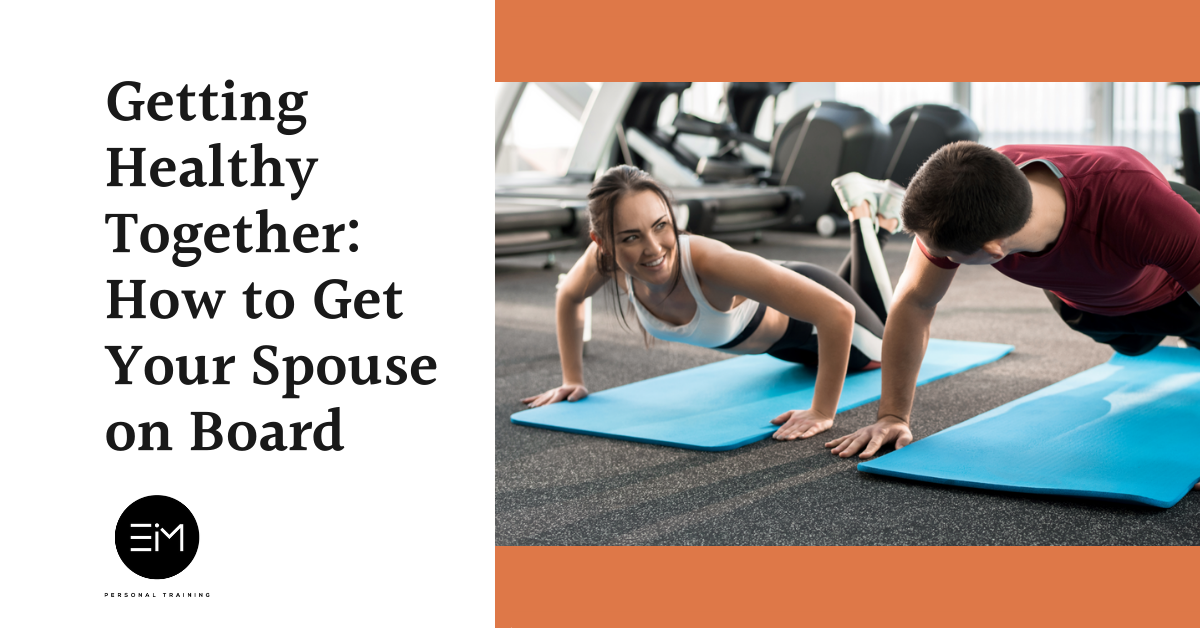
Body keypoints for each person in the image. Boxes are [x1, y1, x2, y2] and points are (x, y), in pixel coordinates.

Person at [826, 141, 1200, 458]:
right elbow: (915, 303)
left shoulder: (1137, 206)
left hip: (1178, 293)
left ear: (993, 249)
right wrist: (892, 415)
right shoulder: (964, 197)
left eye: (950, 256)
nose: (938, 258)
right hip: (1090, 301)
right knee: (1132, 345)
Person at [522, 165, 897, 441]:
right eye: (632, 237)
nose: (653, 249)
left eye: (660, 226)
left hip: (814, 324)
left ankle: (861, 213)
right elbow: (569, 296)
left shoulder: (709, 262)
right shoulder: (603, 261)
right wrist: (572, 379)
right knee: (865, 307)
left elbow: (837, 312)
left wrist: (821, 412)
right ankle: (878, 223)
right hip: (788, 346)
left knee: (884, 350)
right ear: (602, 241)